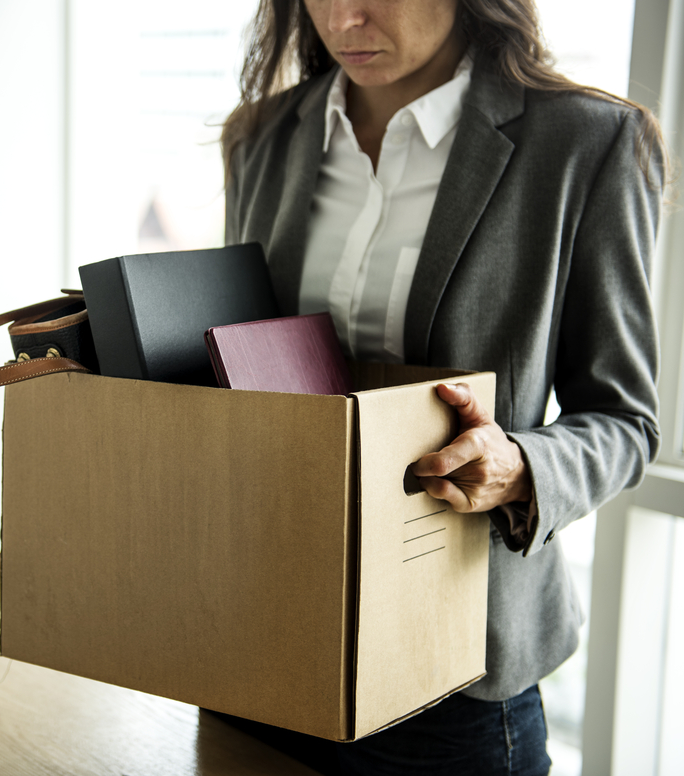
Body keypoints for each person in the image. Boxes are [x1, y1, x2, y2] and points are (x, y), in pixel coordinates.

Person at [218, 0, 667, 773]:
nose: (345, 17)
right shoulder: (260, 136)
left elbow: (625, 421)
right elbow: (244, 356)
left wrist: (521, 465)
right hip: (266, 637)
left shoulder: (586, 142)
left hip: (457, 668)